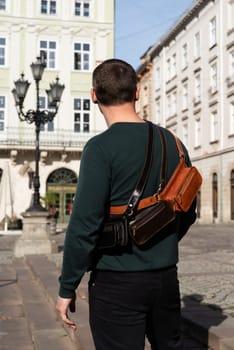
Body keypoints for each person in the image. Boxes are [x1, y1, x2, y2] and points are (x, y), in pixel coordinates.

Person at [56, 58, 197, 350]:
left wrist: (67, 286)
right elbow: (189, 210)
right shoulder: (173, 141)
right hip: (166, 279)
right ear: (137, 92)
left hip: (116, 281)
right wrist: (160, 242)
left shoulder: (100, 148)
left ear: (93, 95)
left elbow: (84, 225)